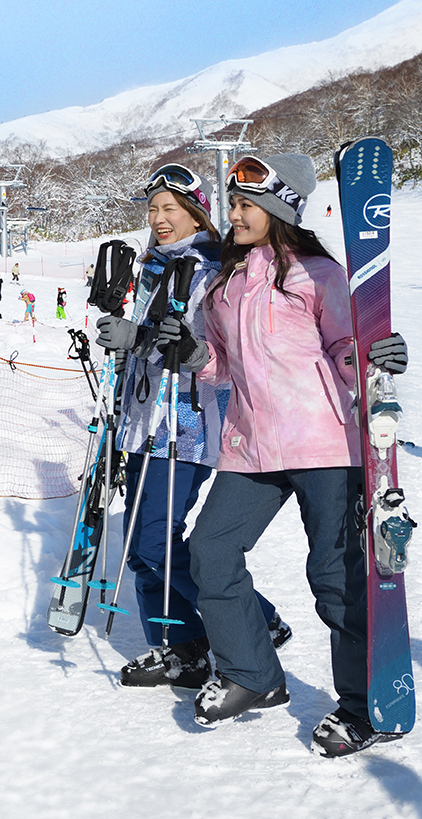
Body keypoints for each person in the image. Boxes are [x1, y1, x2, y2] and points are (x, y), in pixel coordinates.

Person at [153, 153, 408, 758]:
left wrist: (374, 359)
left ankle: (362, 703)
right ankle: (253, 674)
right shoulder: (223, 286)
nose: (234, 216)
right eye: (234, 205)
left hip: (322, 438)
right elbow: (221, 368)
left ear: (277, 212)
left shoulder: (318, 274)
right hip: (251, 444)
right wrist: (190, 357)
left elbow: (345, 346)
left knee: (335, 577)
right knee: (210, 551)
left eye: (246, 207)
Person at [93, 163, 291, 690]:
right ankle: (180, 647)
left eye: (170, 209)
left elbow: (212, 351)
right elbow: (143, 344)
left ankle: (255, 617)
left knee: (156, 543)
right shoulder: (152, 268)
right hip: (141, 423)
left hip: (187, 427)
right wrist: (122, 334)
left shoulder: (214, 272)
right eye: (153, 209)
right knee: (141, 547)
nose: (159, 218)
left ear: (195, 212)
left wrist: (140, 338)